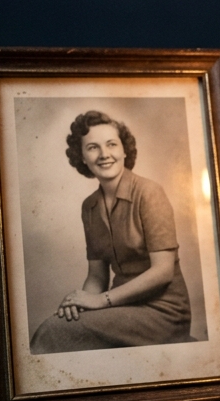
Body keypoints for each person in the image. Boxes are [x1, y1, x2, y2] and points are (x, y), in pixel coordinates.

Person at [30, 110, 192, 354]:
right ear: (82, 157)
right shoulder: (90, 207)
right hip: (121, 309)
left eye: (112, 145)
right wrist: (78, 304)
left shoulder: (149, 193)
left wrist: (100, 301)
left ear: (124, 150)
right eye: (93, 147)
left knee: (53, 332)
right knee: (60, 324)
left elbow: (163, 272)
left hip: (163, 312)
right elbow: (96, 277)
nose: (104, 155)